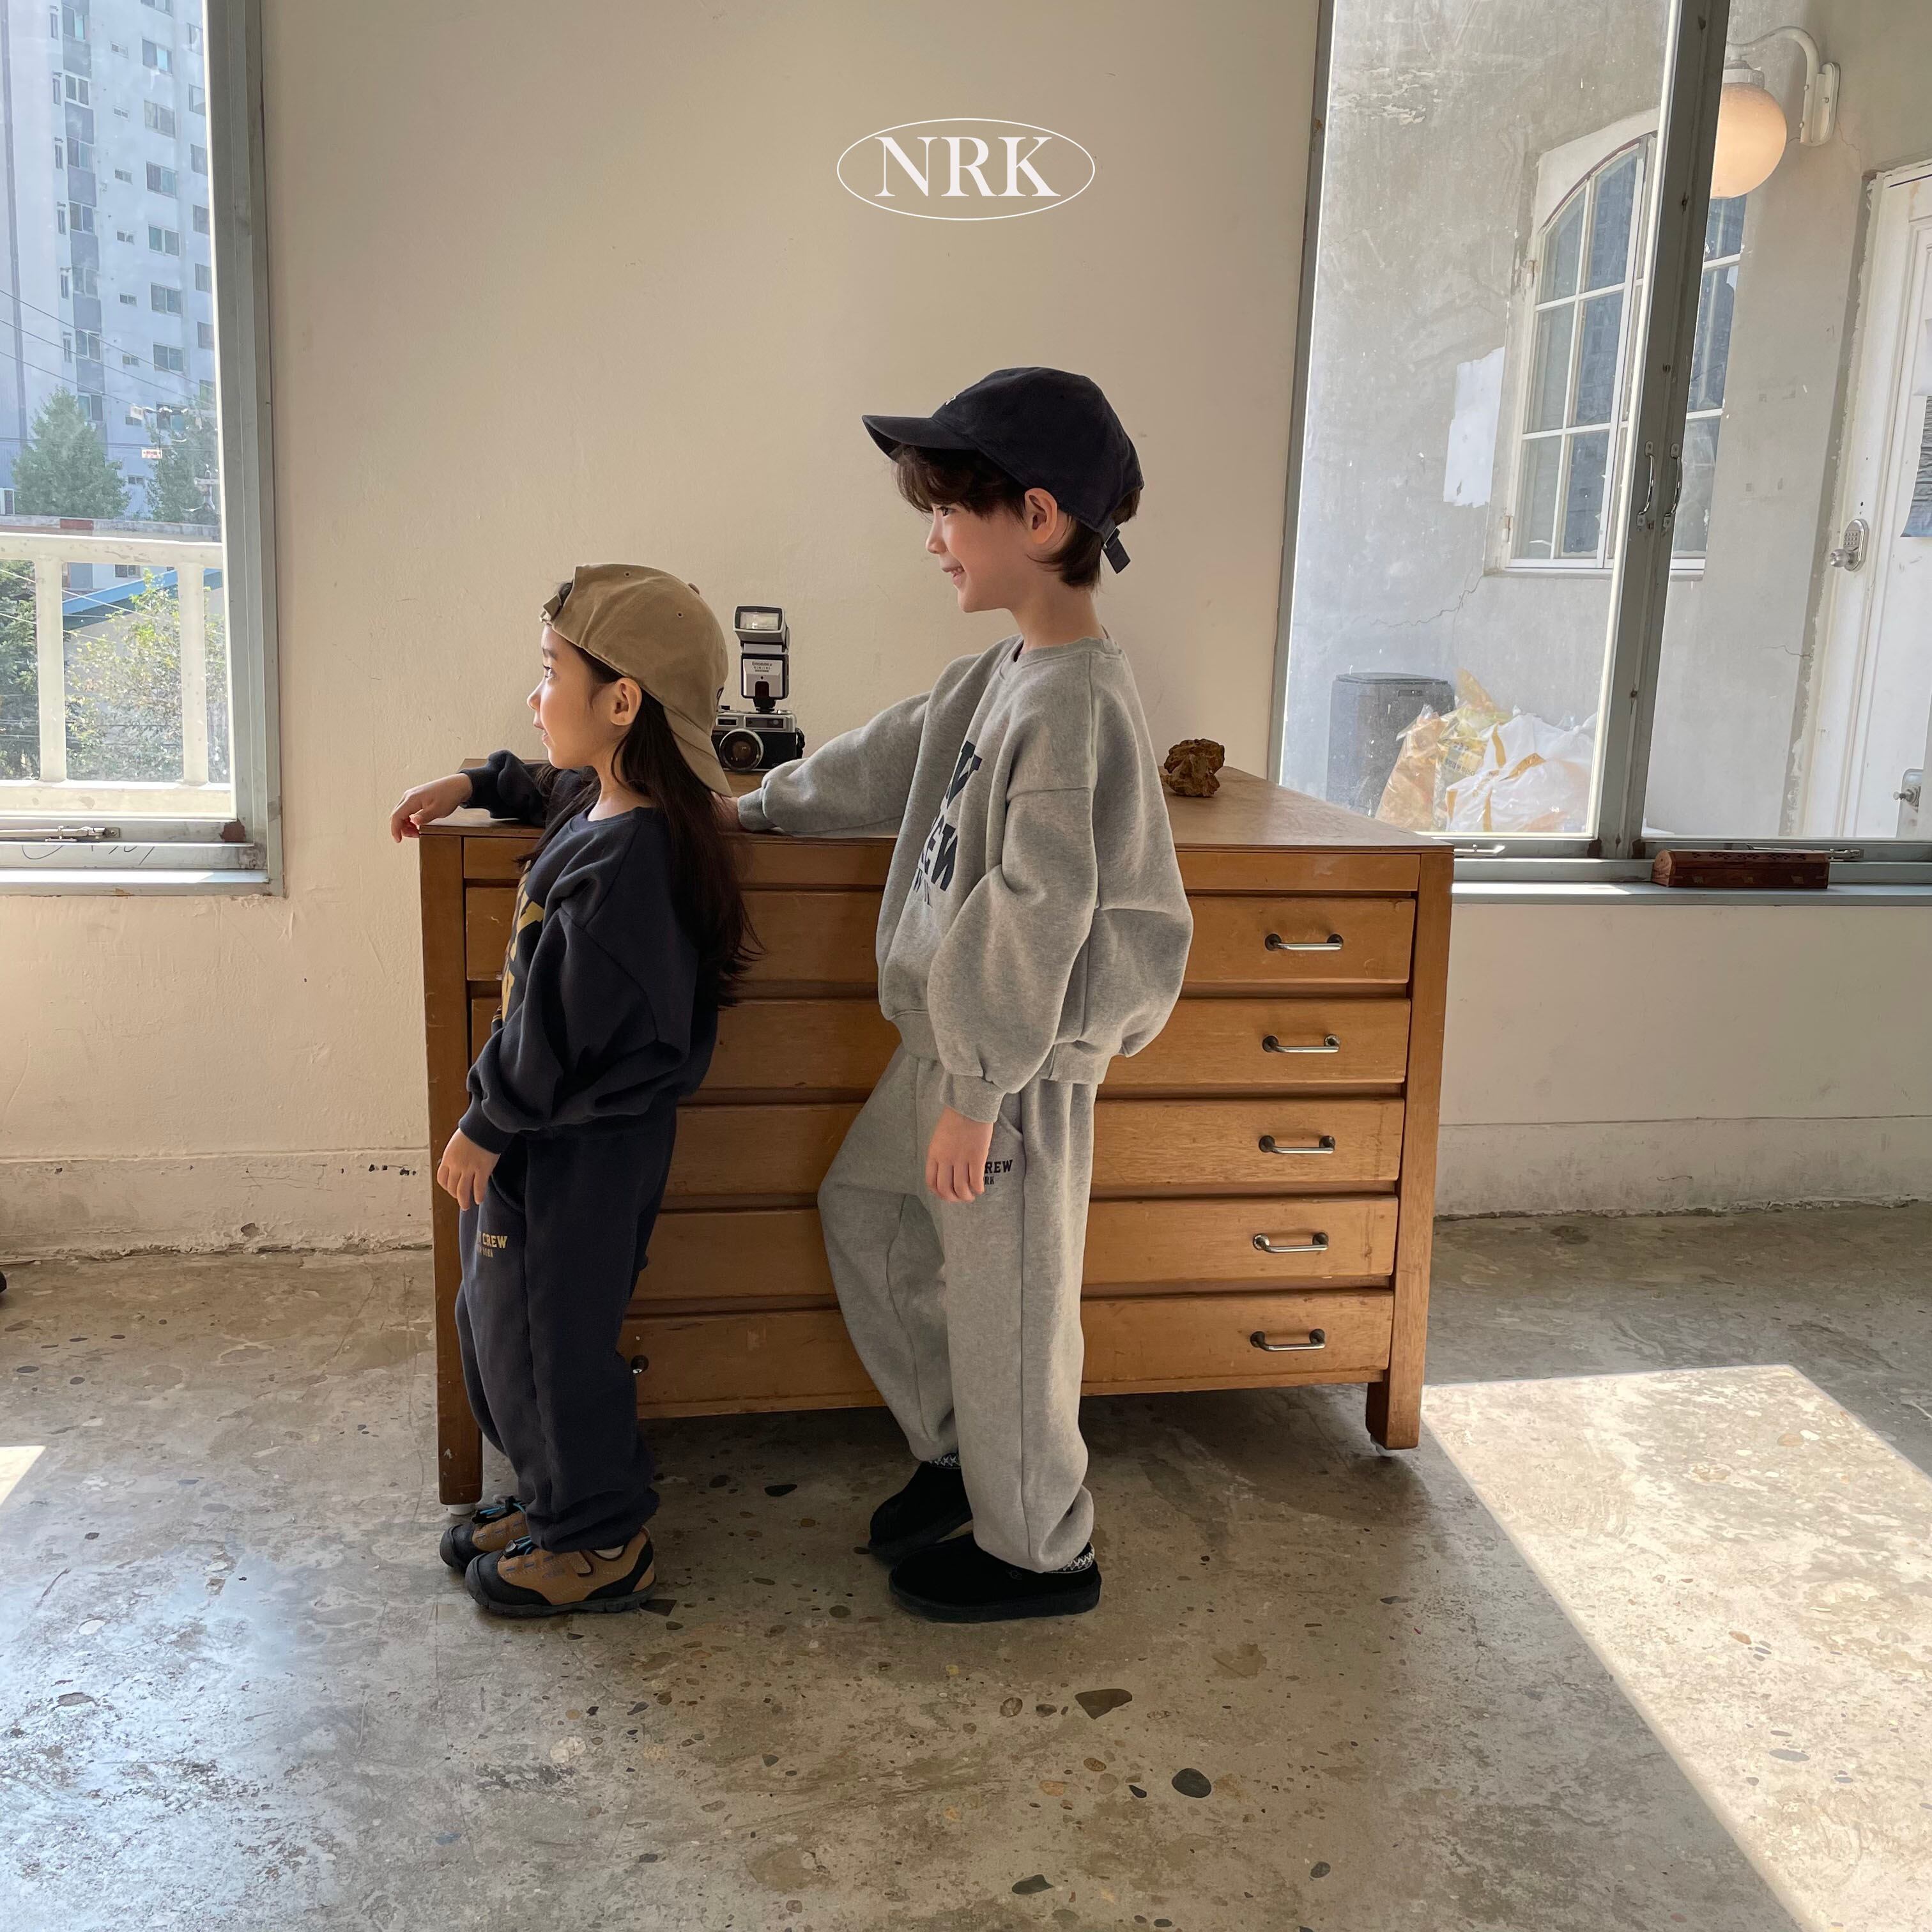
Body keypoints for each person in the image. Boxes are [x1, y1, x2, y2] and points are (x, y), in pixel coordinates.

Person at [730, 367, 1193, 1621]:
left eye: (948, 511)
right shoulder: (1003, 673)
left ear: (1036, 518)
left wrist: (981, 1095)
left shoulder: (1074, 701)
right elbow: (893, 755)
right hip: (957, 1042)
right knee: (870, 1212)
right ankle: (958, 1458)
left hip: (1014, 1070)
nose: (932, 539)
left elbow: (1042, 908)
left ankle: (1040, 1549)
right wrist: (755, 810)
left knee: (1012, 1311)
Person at [390, 565, 754, 1617]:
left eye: (552, 673)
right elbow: (542, 785)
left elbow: (555, 1029)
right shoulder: (605, 803)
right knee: (499, 1321)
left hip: (573, 1147)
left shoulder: (631, 868)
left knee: (548, 1340)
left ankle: (599, 1538)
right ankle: (555, 1498)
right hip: (550, 1138)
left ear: (622, 701)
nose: (536, 694)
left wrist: (485, 1123)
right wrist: (468, 784)